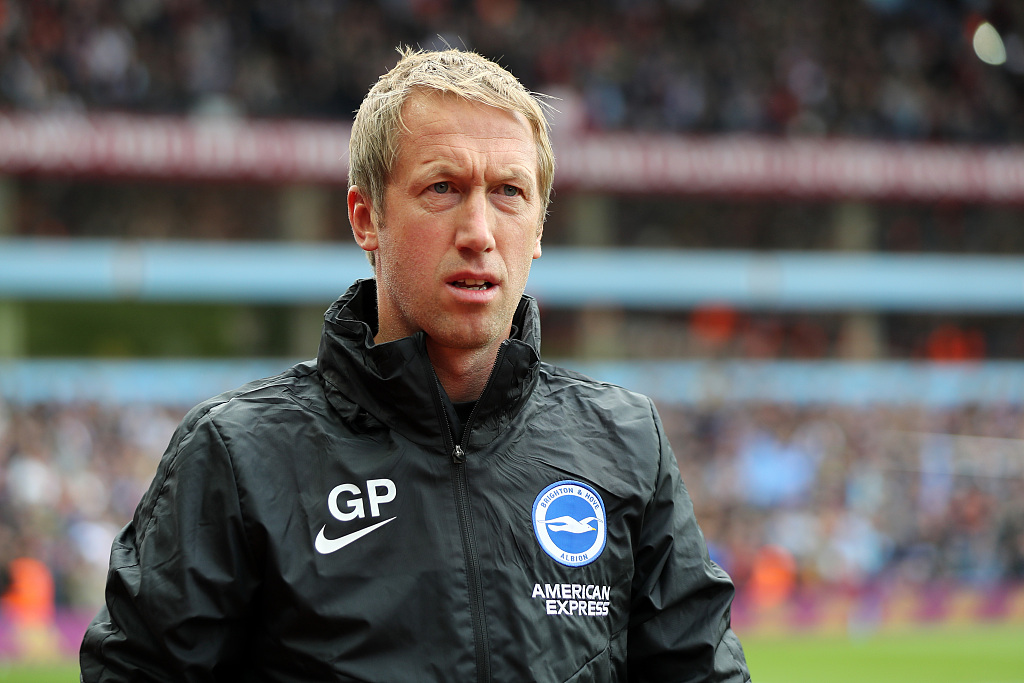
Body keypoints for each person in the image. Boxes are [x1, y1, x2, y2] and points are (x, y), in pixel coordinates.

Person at [80, 47, 750, 683]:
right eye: (443, 187)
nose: (480, 232)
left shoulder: (627, 443)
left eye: (509, 192)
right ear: (367, 218)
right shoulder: (237, 455)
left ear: (540, 227)